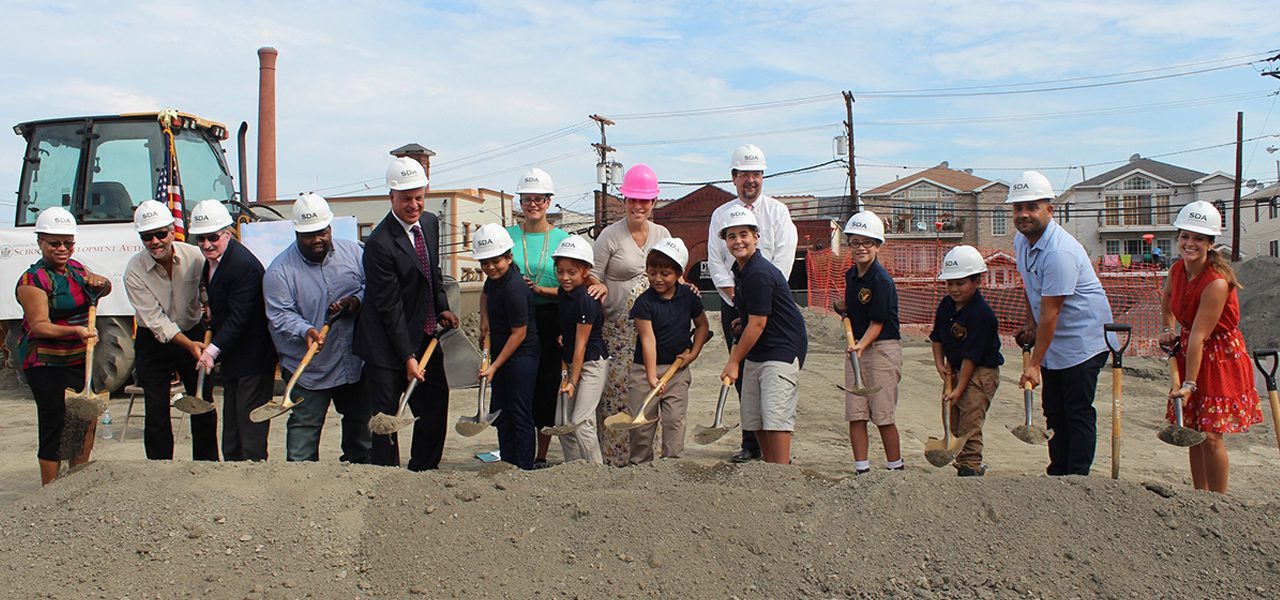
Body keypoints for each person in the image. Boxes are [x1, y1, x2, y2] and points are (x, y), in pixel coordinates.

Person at [354, 157, 459, 471]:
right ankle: (386, 477)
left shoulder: (429, 223)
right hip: (385, 343)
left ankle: (424, 471)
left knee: (435, 401)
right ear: (391, 198)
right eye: (406, 199)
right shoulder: (379, 244)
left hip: (424, 332)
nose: (414, 205)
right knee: (387, 417)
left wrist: (441, 305)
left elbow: (433, 274)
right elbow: (390, 308)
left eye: (418, 197)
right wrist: (407, 357)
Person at [1008, 171, 1114, 477]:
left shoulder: (1059, 252)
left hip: (1083, 340)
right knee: (1053, 409)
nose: (1024, 214)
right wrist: (1030, 322)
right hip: (1054, 338)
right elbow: (1030, 286)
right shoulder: (1021, 240)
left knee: (1076, 410)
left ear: (1049, 210)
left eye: (1031, 207)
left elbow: (1052, 312)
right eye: (1018, 208)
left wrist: (1034, 364)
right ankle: (1058, 473)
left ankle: (1077, 477)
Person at [497, 168, 605, 467]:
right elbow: (492, 277)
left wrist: (601, 285)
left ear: (549, 201)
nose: (533, 204)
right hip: (515, 317)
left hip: (551, 317)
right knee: (519, 385)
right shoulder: (506, 236)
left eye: (540, 198)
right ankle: (519, 451)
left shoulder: (562, 238)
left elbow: (585, 276)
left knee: (547, 385)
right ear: (520, 201)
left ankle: (541, 454)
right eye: (527, 198)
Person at [1158, 201, 1262, 493]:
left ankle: (1219, 501)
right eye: (1185, 236)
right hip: (1192, 348)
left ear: (1210, 243)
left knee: (1211, 434)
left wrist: (1189, 383)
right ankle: (1198, 496)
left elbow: (1200, 337)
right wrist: (1168, 328)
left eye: (1198, 238)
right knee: (1192, 429)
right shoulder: (1178, 270)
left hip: (1219, 356)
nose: (1190, 243)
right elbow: (1167, 299)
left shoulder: (1216, 282)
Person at [706, 144, 798, 463]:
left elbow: (785, 254)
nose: (751, 180)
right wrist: (735, 293)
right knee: (743, 370)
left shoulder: (777, 212)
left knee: (772, 371)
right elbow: (715, 260)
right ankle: (751, 441)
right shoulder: (721, 215)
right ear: (733, 177)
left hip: (767, 294)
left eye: (756, 174)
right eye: (744, 174)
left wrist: (765, 293)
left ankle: (777, 451)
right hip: (735, 297)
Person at [263, 193, 370, 463]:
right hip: (310, 370)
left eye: (321, 232)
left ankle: (362, 484)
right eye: (309, 234)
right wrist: (305, 330)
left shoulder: (355, 253)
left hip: (353, 362)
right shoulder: (279, 272)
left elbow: (373, 287)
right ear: (297, 233)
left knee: (361, 429)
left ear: (330, 228)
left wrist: (356, 301)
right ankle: (299, 493)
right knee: (304, 433)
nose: (317, 239)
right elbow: (280, 314)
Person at [15, 207, 112, 485]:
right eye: (54, 243)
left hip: (79, 357)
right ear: (40, 243)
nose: (62, 248)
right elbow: (40, 326)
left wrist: (102, 283)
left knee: (84, 421)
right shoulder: (32, 280)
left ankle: (75, 484)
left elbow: (100, 289)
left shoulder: (77, 269)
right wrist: (78, 331)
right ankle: (51, 491)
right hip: (45, 362)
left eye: (68, 243)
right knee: (55, 423)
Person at [123, 200, 217, 461]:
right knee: (156, 410)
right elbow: (155, 320)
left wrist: (208, 305)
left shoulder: (194, 257)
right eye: (147, 237)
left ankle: (207, 465)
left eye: (160, 234)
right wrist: (188, 345)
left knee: (203, 402)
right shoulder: (134, 271)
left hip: (194, 332)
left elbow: (205, 289)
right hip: (154, 342)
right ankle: (160, 469)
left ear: (171, 230)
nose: (155, 241)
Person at [591, 163, 671, 466]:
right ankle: (614, 460)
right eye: (633, 200)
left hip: (652, 330)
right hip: (618, 332)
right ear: (624, 201)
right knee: (617, 395)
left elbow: (674, 274)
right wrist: (597, 287)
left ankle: (644, 459)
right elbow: (593, 275)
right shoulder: (610, 237)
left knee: (648, 392)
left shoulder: (662, 234)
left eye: (645, 200)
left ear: (653, 202)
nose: (639, 206)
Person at [718, 207, 807, 465]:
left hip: (779, 352)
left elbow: (758, 324)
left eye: (743, 234)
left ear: (756, 236)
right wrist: (742, 321)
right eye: (731, 236)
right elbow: (754, 318)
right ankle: (770, 472)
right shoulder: (742, 270)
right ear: (725, 241)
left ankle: (781, 474)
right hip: (759, 352)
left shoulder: (758, 272)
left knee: (775, 418)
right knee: (754, 416)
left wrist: (734, 361)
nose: (738, 241)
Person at [191, 200, 278, 462]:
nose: (206, 244)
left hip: (253, 356)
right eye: (201, 238)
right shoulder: (214, 261)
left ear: (227, 233)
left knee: (249, 422)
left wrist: (212, 352)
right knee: (232, 425)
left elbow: (240, 318)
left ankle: (252, 479)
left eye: (213, 237)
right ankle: (231, 477)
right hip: (233, 356)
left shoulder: (242, 266)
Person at [628, 237, 711, 463]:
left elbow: (703, 325)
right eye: (652, 272)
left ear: (678, 272)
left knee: (674, 420)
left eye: (665, 273)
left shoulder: (688, 297)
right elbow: (648, 340)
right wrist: (651, 377)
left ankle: (672, 467)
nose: (657, 279)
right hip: (644, 371)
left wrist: (693, 354)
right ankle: (639, 467)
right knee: (642, 424)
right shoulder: (644, 303)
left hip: (677, 371)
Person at [928, 245, 1003, 477]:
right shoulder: (946, 305)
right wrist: (939, 363)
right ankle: (960, 460)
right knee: (951, 417)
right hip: (956, 367)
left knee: (970, 420)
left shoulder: (982, 314)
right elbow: (937, 337)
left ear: (976, 282)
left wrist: (960, 388)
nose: (954, 289)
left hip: (980, 372)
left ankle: (971, 466)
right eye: (950, 283)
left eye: (960, 283)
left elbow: (972, 355)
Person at [840, 211, 903, 474]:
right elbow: (855, 312)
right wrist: (844, 310)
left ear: (878, 245)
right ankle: (861, 469)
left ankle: (895, 468)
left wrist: (860, 346)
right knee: (856, 413)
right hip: (858, 348)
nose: (861, 248)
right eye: (856, 242)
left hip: (880, 350)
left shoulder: (881, 280)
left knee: (882, 414)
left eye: (868, 242)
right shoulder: (851, 276)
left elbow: (877, 323)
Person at [475, 224, 539, 470]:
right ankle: (507, 463)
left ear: (509, 257)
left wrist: (493, 366)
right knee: (502, 413)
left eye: (495, 261)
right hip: (501, 349)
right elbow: (485, 294)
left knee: (520, 413)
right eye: (484, 263)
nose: (490, 267)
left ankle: (523, 468)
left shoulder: (514, 287)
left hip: (522, 355)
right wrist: (484, 320)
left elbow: (519, 334)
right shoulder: (494, 280)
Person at [550, 235, 607, 464]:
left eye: (571, 272)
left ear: (585, 272)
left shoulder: (587, 299)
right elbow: (559, 299)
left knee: (582, 421)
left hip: (592, 363)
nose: (564, 277)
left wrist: (572, 381)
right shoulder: (565, 292)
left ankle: (596, 472)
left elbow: (582, 345)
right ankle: (574, 469)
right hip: (573, 360)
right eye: (560, 270)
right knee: (561, 421)